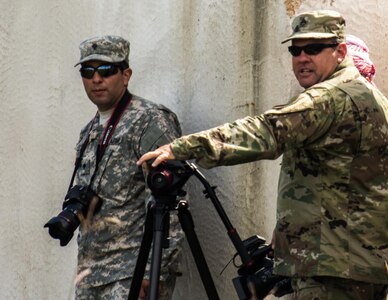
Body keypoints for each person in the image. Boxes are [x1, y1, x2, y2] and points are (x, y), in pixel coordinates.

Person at [137, 10, 388, 300]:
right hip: (363, 265)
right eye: (296, 49)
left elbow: (264, 131)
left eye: (314, 49)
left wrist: (179, 148)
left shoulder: (331, 98)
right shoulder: (374, 99)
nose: (302, 57)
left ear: (340, 51)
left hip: (332, 272)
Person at [71, 35, 182, 300]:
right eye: (88, 71)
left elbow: (169, 202)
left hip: (131, 273)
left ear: (126, 75)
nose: (96, 79)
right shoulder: (88, 131)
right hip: (91, 275)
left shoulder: (149, 120)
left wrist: (152, 272)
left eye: (106, 70)